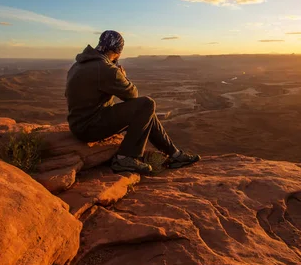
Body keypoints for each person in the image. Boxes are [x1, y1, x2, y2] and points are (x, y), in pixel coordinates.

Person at [65, 30, 201, 174]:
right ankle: (125, 158)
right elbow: (132, 95)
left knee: (146, 110)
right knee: (146, 104)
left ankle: (175, 155)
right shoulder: (105, 68)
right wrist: (122, 76)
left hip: (78, 124)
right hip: (90, 127)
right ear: (118, 51)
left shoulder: (79, 65)